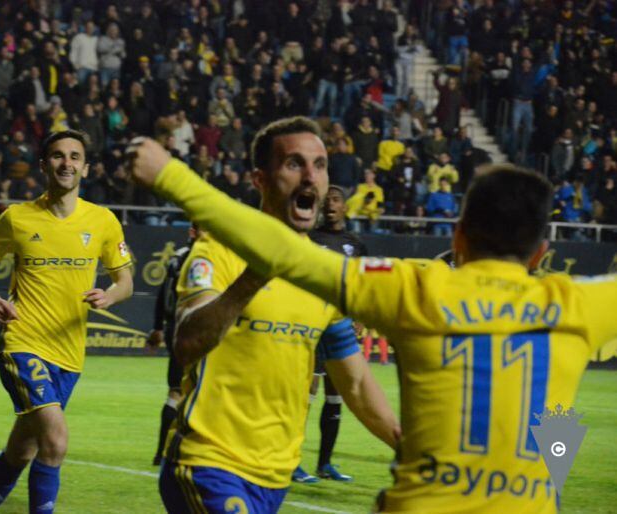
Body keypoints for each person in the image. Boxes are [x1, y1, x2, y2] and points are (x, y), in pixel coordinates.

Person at [128, 132, 617, 513]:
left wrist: (172, 175)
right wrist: (547, 469)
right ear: (540, 252)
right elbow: (560, 431)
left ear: (460, 237)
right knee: (560, 415)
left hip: (418, 504)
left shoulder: (414, 288)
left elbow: (282, 250)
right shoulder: (580, 306)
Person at [153, 117, 399, 513]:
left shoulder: (320, 273)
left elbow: (354, 383)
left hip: (274, 475)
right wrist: (256, 275)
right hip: (206, 463)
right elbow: (186, 343)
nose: (310, 178)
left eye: (319, 166)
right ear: (259, 180)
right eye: (293, 164)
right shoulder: (217, 252)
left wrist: (407, 444)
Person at [0, 130, 134, 514]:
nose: (66, 163)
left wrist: (109, 294)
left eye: (75, 156)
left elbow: (126, 281)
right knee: (55, 439)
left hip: (69, 354)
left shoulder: (103, 221)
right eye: (58, 156)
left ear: (85, 168)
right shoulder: (18, 218)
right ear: (43, 165)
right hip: (22, 343)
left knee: (24, 447)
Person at [292, 185, 370, 483]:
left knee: (336, 397)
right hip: (312, 327)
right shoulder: (310, 239)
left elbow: (363, 283)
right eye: (325, 201)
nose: (329, 206)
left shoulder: (356, 245)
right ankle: (293, 462)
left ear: (345, 208)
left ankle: (325, 464)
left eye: (335, 201)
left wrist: (360, 317)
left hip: (340, 328)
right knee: (306, 395)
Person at [146, 225, 200, 466]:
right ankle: (179, 451)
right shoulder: (205, 260)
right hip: (194, 331)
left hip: (174, 329)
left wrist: (158, 327)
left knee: (176, 391)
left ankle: (162, 452)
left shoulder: (178, 256)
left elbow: (161, 295)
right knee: (190, 390)